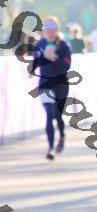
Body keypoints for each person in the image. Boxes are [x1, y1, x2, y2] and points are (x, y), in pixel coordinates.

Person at [31, 16, 71, 160]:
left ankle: (62, 136)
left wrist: (54, 58)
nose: (49, 31)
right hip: (45, 84)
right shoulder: (40, 44)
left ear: (57, 29)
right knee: (49, 113)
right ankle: (50, 148)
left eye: (52, 28)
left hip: (60, 84)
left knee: (58, 115)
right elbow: (36, 61)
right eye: (46, 28)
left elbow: (66, 66)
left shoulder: (63, 45)